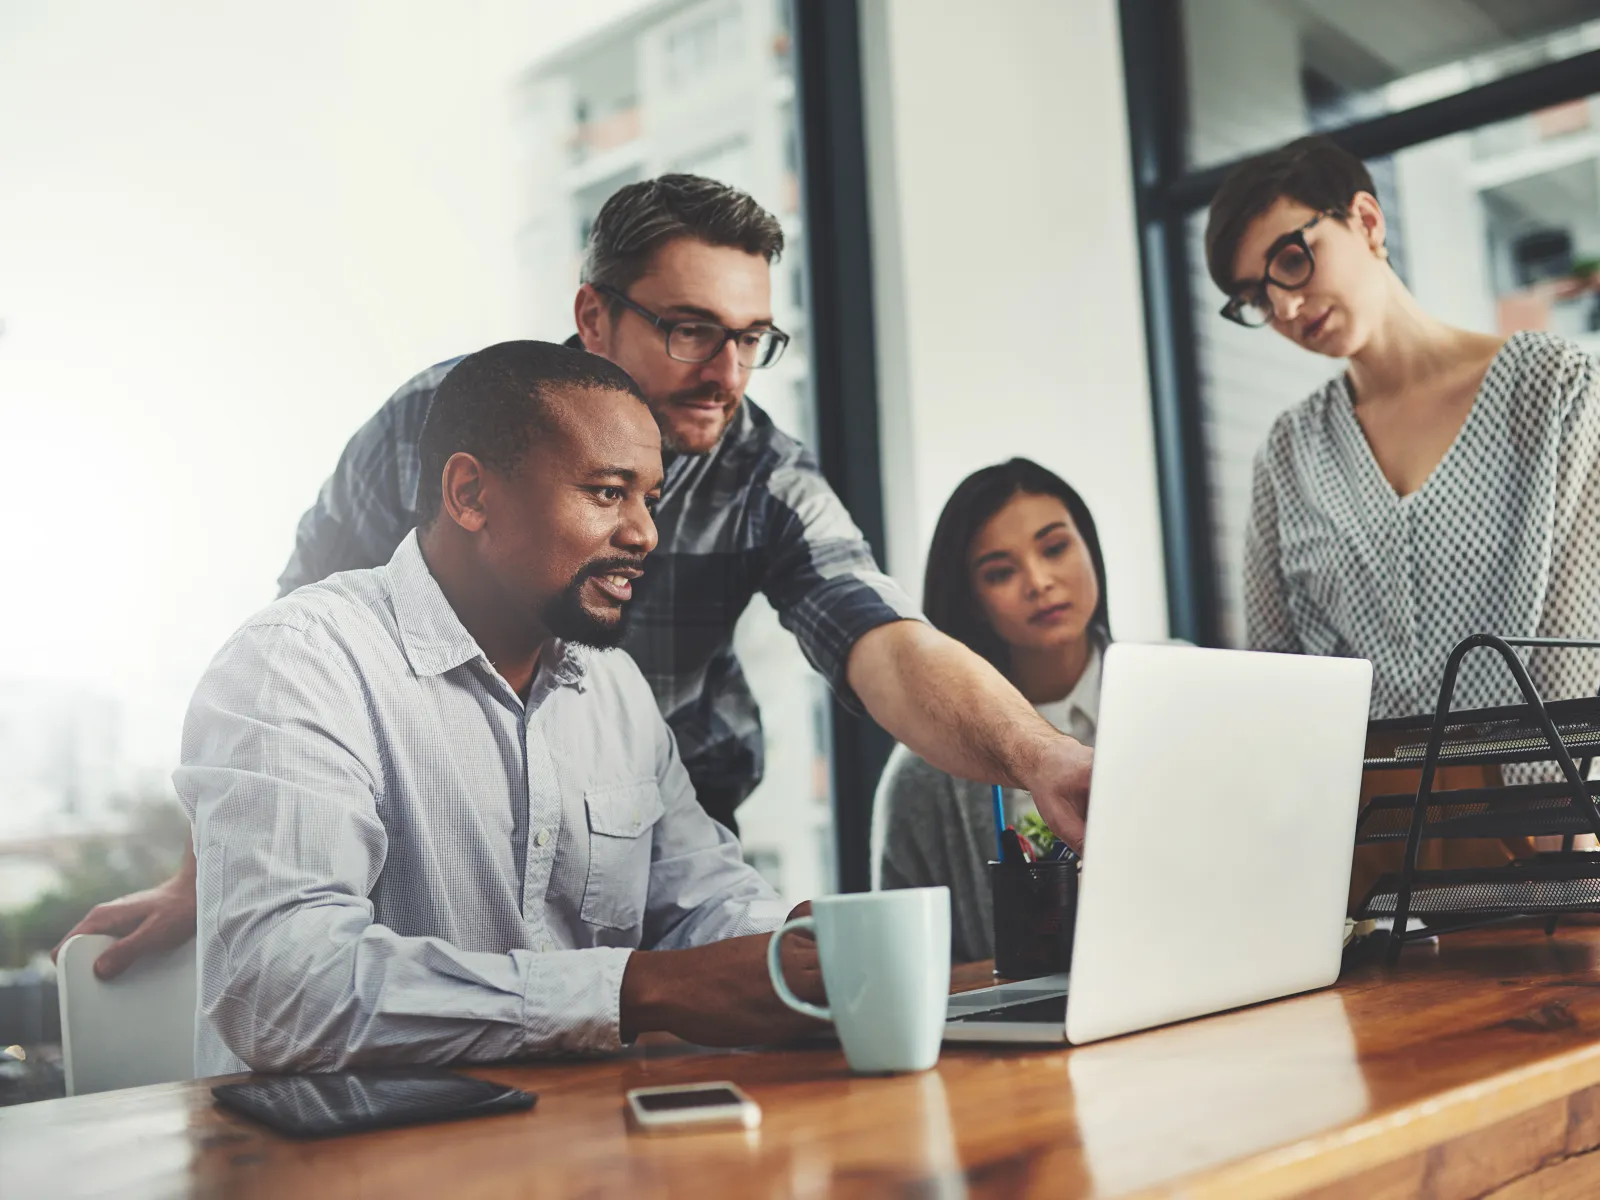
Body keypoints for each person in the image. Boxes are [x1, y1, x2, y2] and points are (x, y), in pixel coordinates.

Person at [63, 174, 1094, 978]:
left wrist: (1036, 757)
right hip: (436, 837)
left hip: (657, 838)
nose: (726, 375)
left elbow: (884, 643)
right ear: (594, 317)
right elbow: (294, 665)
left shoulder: (765, 475)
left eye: (751, 339)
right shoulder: (445, 426)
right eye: (691, 330)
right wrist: (232, 863)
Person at [183, 341, 828, 1073]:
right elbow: (281, 991)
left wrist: (794, 948)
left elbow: (698, 897)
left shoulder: (613, 687)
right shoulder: (298, 661)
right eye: (608, 492)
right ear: (471, 495)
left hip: (568, 1151)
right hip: (337, 1166)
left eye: (650, 498)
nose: (645, 533)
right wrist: (634, 989)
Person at [1207, 135, 1600, 907]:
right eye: (1256, 296)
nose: (1284, 306)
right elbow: (1279, 686)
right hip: (1363, 869)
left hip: (1549, 842)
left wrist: (1567, 840)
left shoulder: (1556, 389)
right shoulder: (1288, 456)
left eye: (1291, 259)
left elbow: (1580, 640)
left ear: (1366, 220)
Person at [872, 459, 1110, 962]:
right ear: (973, 600)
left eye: (1056, 547)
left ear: (1090, 548)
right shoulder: (924, 773)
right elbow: (908, 962)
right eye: (1001, 572)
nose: (1039, 581)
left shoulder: (1177, 697)